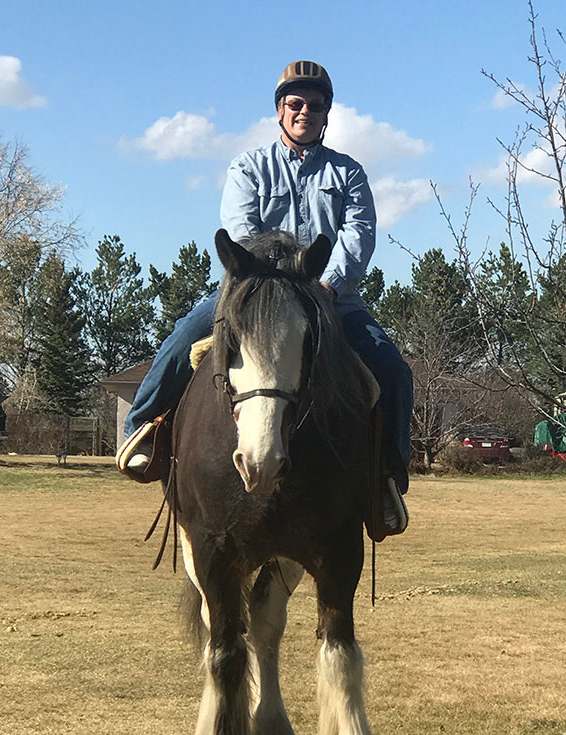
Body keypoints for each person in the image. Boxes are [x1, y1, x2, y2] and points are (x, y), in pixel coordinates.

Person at [119, 60, 413, 534]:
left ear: (325, 113)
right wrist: (273, 285)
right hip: (251, 294)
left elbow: (359, 236)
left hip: (329, 297)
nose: (304, 112)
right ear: (280, 111)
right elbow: (242, 234)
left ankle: (385, 481)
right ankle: (144, 430)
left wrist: (326, 284)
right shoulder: (248, 167)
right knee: (181, 338)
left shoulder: (349, 173)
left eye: (315, 105)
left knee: (393, 369)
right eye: (295, 104)